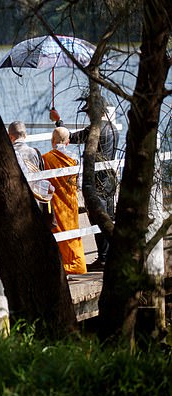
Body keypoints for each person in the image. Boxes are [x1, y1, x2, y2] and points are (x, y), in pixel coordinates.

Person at [68, 100, 119, 270]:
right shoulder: (113, 128)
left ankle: (104, 258)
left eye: (88, 113)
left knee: (98, 220)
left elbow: (72, 138)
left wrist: (58, 123)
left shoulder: (95, 130)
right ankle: (110, 256)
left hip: (97, 181)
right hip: (109, 179)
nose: (88, 116)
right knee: (109, 218)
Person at [42, 127, 87, 274]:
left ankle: (63, 264)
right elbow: (79, 182)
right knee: (73, 230)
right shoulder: (74, 157)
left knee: (58, 231)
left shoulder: (46, 158)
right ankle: (76, 263)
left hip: (55, 201)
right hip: (71, 199)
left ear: (52, 140)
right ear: (68, 141)